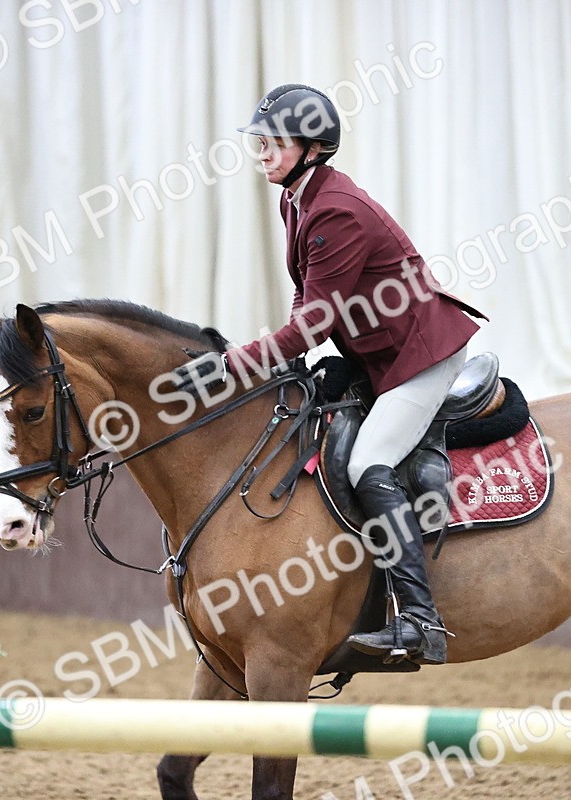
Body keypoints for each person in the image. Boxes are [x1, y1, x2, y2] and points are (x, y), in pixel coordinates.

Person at [173, 83, 486, 665]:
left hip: (419, 355)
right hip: (376, 354)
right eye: (259, 141)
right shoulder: (297, 197)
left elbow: (312, 325)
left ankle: (419, 620)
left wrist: (231, 366)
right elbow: (306, 297)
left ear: (312, 147)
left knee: (371, 462)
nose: (261, 151)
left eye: (272, 142)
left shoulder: (335, 210)